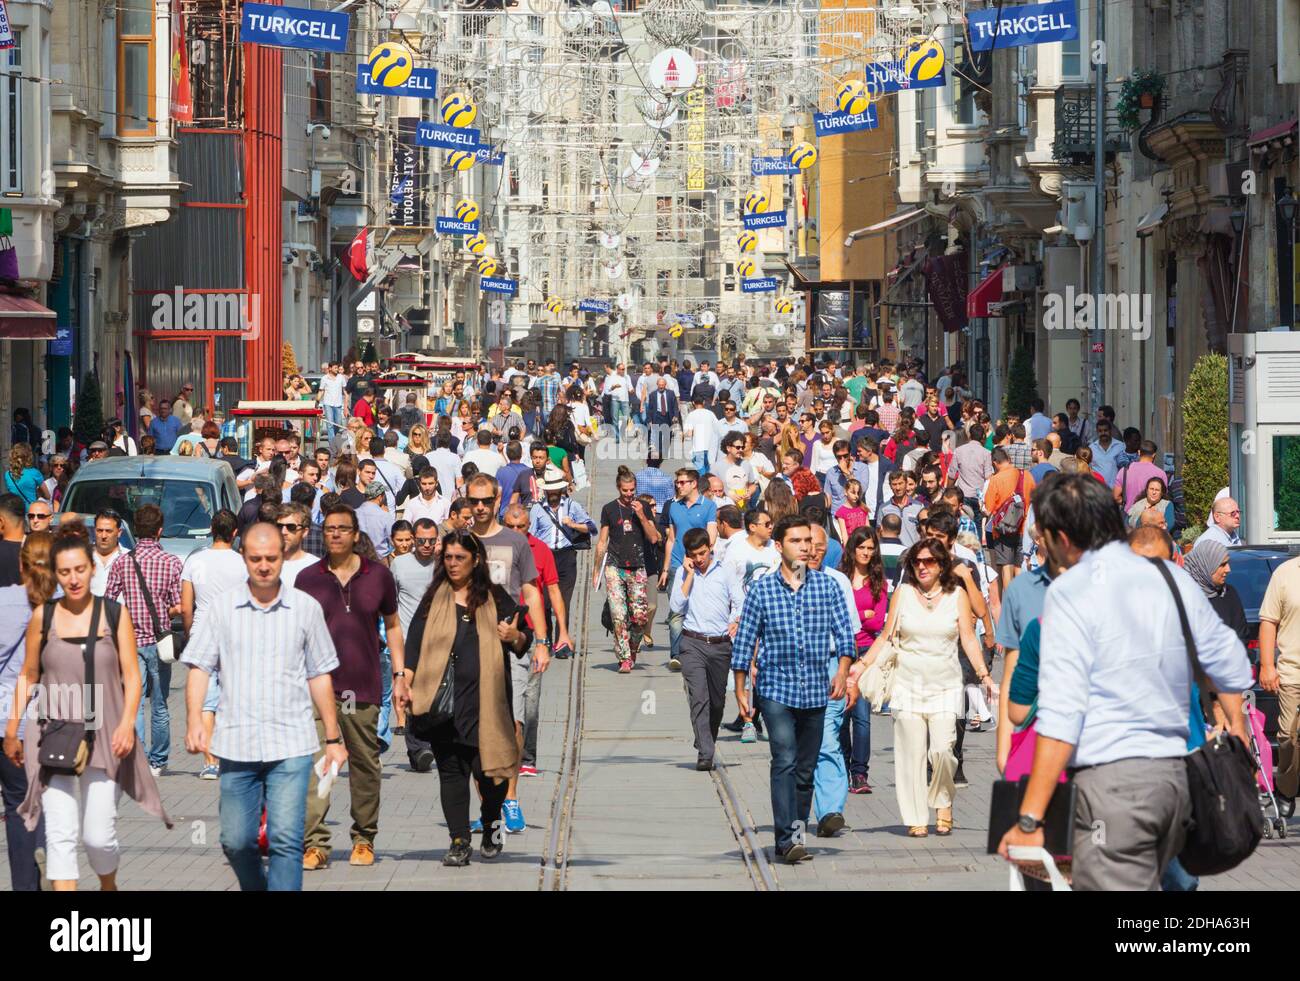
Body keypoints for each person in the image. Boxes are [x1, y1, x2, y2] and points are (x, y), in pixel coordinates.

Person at [996, 473, 1253, 890]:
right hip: (1175, 781)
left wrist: (1029, 818)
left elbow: (1062, 714)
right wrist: (1238, 733)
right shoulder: (1169, 578)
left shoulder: (1071, 592)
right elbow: (1228, 662)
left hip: (1113, 788)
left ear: (1061, 538)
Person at [180, 522, 345, 890]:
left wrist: (333, 737)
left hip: (292, 744)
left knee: (286, 842)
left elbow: (320, 674)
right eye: (256, 559)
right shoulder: (223, 609)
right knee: (237, 842)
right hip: (236, 746)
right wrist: (194, 719)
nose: (265, 566)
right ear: (244, 558)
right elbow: (199, 665)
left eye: (272, 558)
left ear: (283, 558)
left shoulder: (305, 608)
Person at [6, 533, 170, 889]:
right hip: (52, 732)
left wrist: (128, 724)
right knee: (60, 836)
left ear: (92, 569)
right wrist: (12, 728)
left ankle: (107, 883)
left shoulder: (114, 613)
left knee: (98, 836)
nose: (74, 578)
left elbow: (131, 674)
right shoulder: (43, 617)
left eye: (80, 569)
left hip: (105, 733)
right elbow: (29, 674)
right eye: (65, 572)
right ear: (56, 574)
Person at [731, 516, 857, 863]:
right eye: (796, 541)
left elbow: (846, 635)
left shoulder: (827, 587)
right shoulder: (762, 589)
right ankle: (786, 840)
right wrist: (740, 689)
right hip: (775, 689)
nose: (805, 547)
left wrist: (843, 672)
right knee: (784, 759)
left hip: (816, 690)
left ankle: (796, 836)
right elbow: (745, 641)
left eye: (808, 541)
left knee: (805, 769)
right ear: (779, 546)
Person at [849, 538, 994, 837]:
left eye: (929, 561)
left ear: (942, 565)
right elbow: (887, 636)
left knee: (943, 750)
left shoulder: (956, 596)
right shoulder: (902, 593)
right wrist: (861, 667)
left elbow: (968, 638)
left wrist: (984, 675)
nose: (922, 566)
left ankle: (943, 802)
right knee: (910, 754)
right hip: (908, 683)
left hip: (945, 684)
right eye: (917, 562)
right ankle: (915, 816)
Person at [403, 530, 533, 866]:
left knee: (489, 775)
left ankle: (491, 824)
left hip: (486, 704)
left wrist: (514, 635)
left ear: (475, 560)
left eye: (460, 557)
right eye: (447, 557)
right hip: (445, 704)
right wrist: (406, 679)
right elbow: (415, 642)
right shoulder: (435, 598)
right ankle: (459, 840)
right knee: (451, 773)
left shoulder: (494, 596)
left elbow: (525, 635)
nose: (452, 564)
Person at [294, 503, 407, 870]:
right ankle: (315, 843)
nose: (336, 534)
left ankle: (364, 838)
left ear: (356, 534)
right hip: (317, 688)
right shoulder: (308, 578)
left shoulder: (379, 576)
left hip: (361, 686)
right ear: (323, 534)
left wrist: (401, 674)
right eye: (330, 529)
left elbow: (392, 625)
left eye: (343, 528)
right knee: (318, 765)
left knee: (364, 765)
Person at [463, 472, 550, 832]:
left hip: (510, 644)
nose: (481, 507)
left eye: (486, 500)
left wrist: (541, 641)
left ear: (497, 500)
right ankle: (488, 807)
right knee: (472, 731)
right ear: (467, 501)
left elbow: (531, 592)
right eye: (474, 501)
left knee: (513, 723)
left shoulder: (515, 541)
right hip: (468, 645)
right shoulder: (460, 541)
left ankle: (510, 796)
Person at [103, 503, 182, 777]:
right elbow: (177, 604)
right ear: (160, 531)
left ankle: (136, 757)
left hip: (131, 640)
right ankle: (158, 761)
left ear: (135, 531)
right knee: (160, 704)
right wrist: (163, 610)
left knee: (133, 703)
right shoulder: (172, 563)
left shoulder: (122, 563)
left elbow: (109, 601)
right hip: (161, 642)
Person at [179, 509, 247, 781]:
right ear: (235, 533)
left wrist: (188, 633)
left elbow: (186, 606)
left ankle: (210, 761)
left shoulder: (195, 561)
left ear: (210, 529)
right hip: (234, 634)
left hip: (202, 633)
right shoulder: (242, 563)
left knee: (206, 703)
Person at [671, 528, 745, 770]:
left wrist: (735, 619)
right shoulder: (684, 573)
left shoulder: (725, 572)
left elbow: (739, 601)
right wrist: (689, 575)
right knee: (699, 698)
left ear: (710, 550)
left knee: (716, 702)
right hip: (692, 643)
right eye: (694, 555)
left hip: (720, 645)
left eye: (703, 553)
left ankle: (704, 739)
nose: (699, 559)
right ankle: (706, 752)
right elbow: (675, 606)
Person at [502, 505, 567, 779]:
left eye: (523, 527)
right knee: (503, 699)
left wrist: (562, 632)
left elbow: (552, 590)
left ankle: (527, 756)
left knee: (530, 700)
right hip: (500, 633)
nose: (517, 532)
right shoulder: (494, 549)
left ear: (530, 526)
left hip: (531, 638)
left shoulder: (540, 549)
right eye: (512, 527)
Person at [0, 535, 41, 889]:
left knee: (16, 804)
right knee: (29, 804)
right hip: (44, 721)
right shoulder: (66, 605)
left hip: (5, 722)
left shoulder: (3, 603)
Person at [594, 470, 660, 673]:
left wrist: (641, 514)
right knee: (619, 614)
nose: (629, 494)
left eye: (632, 490)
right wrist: (596, 570)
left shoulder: (644, 507)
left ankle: (632, 649)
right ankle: (623, 657)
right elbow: (602, 542)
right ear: (618, 488)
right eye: (625, 490)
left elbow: (653, 538)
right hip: (614, 566)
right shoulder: (609, 509)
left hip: (638, 567)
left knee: (640, 617)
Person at [840, 528, 888, 795]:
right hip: (841, 651)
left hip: (866, 651)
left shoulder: (879, 581)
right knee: (840, 716)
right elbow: (837, 613)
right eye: (862, 548)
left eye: (871, 548)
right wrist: (861, 612)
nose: (867, 553)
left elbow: (877, 621)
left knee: (861, 716)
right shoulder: (840, 578)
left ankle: (860, 773)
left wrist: (855, 614)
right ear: (853, 549)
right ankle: (843, 766)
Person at [528, 465, 594, 657]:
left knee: (563, 601)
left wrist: (573, 524)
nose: (553, 493)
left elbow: (592, 528)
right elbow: (531, 534)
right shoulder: (538, 509)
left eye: (556, 489)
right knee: (545, 602)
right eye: (550, 490)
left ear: (561, 489)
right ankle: (545, 639)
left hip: (566, 557)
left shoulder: (572, 506)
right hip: (545, 557)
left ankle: (562, 643)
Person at [659, 469, 719, 672]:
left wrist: (700, 558)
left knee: (697, 607)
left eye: (683, 482)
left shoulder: (709, 506)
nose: (679, 485)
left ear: (694, 484)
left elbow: (711, 537)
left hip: (700, 565)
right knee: (677, 610)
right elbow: (671, 539)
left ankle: (696, 650)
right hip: (677, 564)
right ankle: (676, 655)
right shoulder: (673, 506)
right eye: (677, 482)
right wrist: (666, 568)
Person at [1259, 548, 1300, 813]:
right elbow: (1268, 622)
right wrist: (1267, 665)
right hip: (1292, 672)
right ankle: (1286, 790)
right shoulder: (1285, 574)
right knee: (1288, 736)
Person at [4, 444, 46, 508]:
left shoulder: (7, 474)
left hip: (15, 512)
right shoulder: (34, 472)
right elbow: (47, 495)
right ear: (29, 456)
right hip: (30, 512)